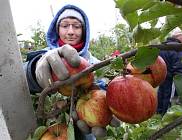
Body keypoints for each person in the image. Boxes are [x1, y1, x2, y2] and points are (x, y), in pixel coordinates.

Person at [24, 4, 119, 140]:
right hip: (50, 131)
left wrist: (107, 98)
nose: (70, 31)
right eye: (65, 25)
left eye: (76, 26)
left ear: (84, 30)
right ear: (57, 30)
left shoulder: (94, 64)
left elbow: (102, 89)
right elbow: (14, 76)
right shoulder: (44, 57)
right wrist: (33, 71)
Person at [157, 30, 182, 115]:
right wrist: (181, 80)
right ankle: (166, 114)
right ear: (177, 37)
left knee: (162, 93)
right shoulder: (177, 48)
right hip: (172, 77)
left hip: (163, 76)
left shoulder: (164, 46)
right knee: (169, 96)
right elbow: (179, 65)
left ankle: (159, 111)